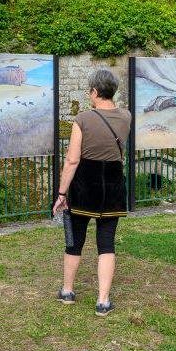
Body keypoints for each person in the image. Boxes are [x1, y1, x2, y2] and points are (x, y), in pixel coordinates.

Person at [52, 69, 131, 317]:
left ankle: (67, 290)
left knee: (74, 239)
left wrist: (62, 193)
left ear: (95, 92)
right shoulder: (126, 117)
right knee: (106, 243)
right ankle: (103, 300)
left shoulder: (83, 119)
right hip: (113, 183)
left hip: (85, 183)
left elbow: (72, 160)